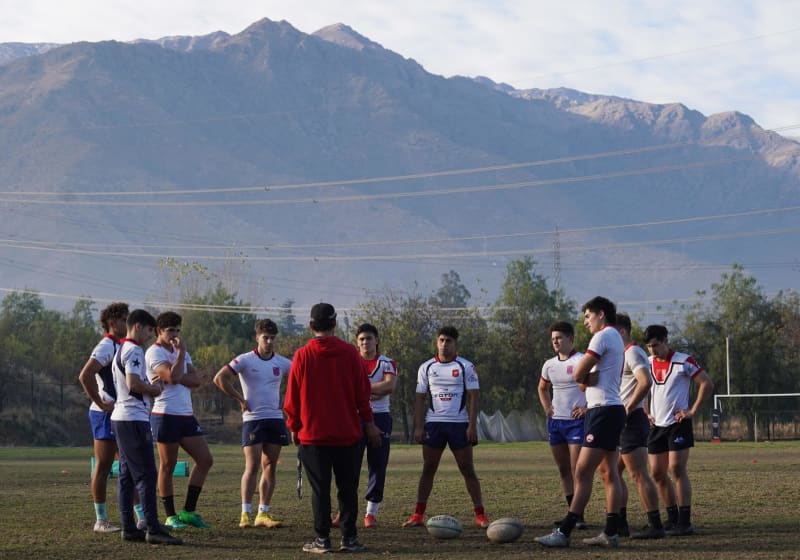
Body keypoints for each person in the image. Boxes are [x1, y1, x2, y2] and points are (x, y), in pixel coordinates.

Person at [284, 303, 381, 554]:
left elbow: (291, 398)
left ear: (311, 325)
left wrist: (293, 425)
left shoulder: (303, 355)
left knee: (320, 490)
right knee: (347, 489)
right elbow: (363, 395)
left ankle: (322, 539)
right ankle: (349, 538)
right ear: (335, 324)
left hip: (313, 435)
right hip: (347, 434)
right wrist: (369, 423)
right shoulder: (350, 354)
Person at [536, 296, 626, 548]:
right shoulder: (616, 336)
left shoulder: (602, 336)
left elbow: (578, 373)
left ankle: (564, 532)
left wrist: (586, 378)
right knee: (609, 474)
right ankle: (610, 532)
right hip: (613, 409)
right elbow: (592, 376)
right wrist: (591, 378)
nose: (585, 321)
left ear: (600, 314)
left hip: (603, 410)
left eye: (587, 316)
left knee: (582, 471)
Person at [403, 326, 491, 529]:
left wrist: (472, 426)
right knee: (428, 468)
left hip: (459, 425)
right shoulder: (426, 367)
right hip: (434, 424)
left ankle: (480, 515)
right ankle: (418, 514)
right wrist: (418, 427)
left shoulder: (465, 366)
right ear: (436, 342)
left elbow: (473, 396)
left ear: (455, 343)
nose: (444, 344)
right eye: (441, 340)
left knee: (467, 469)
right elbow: (419, 398)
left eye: (448, 341)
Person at [111, 309, 182, 545]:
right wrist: (153, 389)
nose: (151, 336)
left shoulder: (121, 349)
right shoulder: (134, 350)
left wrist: (146, 385)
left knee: (126, 476)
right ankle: (153, 528)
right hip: (133, 418)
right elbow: (133, 383)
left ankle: (129, 527)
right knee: (146, 475)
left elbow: (128, 382)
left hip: (121, 416)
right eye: (150, 330)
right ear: (139, 326)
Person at [213, 318, 292, 529]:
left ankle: (263, 513)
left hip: (275, 419)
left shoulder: (283, 363)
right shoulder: (245, 360)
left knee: (270, 466)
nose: (269, 341)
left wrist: (289, 401)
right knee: (253, 465)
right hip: (253, 420)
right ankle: (245, 513)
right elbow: (220, 378)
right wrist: (240, 399)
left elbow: (301, 380)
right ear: (257, 337)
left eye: (273, 338)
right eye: (265, 337)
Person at [78, 302, 145, 533]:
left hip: (120, 413)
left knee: (130, 464)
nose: (127, 323)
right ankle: (101, 519)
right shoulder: (106, 345)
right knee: (105, 465)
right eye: (123, 318)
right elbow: (85, 375)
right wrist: (99, 401)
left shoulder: (123, 345)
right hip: (105, 414)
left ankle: (141, 517)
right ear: (112, 322)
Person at [643, 324, 714, 536]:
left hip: (678, 424)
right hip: (656, 426)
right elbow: (643, 388)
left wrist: (692, 410)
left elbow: (706, 383)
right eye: (648, 346)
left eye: (656, 345)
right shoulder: (647, 363)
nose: (652, 350)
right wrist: (646, 411)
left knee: (676, 469)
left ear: (666, 340)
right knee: (656, 472)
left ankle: (685, 522)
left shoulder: (684, 361)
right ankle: (672, 518)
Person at [145, 311, 213, 529]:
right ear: (158, 331)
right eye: (170, 330)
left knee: (205, 460)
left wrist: (179, 369)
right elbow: (173, 377)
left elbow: (196, 380)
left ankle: (188, 511)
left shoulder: (181, 352)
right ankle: (170, 515)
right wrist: (179, 362)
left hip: (186, 415)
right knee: (168, 465)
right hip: (165, 415)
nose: (174, 335)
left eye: (177, 330)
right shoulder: (153, 353)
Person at [332, 323, 397, 529]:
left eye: (369, 338)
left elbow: (389, 385)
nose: (365, 342)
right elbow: (343, 389)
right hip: (353, 418)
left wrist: (361, 391)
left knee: (377, 465)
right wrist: (372, 392)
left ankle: (370, 513)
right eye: (361, 339)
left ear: (376, 340)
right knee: (349, 466)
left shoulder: (387, 362)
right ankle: (343, 510)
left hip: (380, 418)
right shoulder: (350, 362)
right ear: (356, 342)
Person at [611, 313, 665, 539]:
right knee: (613, 472)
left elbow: (645, 382)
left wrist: (628, 408)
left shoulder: (633, 352)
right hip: (620, 422)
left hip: (631, 422)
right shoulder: (620, 354)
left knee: (639, 474)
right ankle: (621, 523)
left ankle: (656, 526)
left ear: (621, 331)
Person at [537, 321, 588, 530]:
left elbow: (595, 387)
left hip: (577, 423)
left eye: (559, 338)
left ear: (571, 339)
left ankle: (578, 516)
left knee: (578, 470)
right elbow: (542, 388)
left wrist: (587, 408)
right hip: (556, 423)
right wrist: (547, 407)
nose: (555, 342)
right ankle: (571, 513)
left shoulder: (582, 360)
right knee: (563, 469)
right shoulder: (549, 364)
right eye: (553, 339)